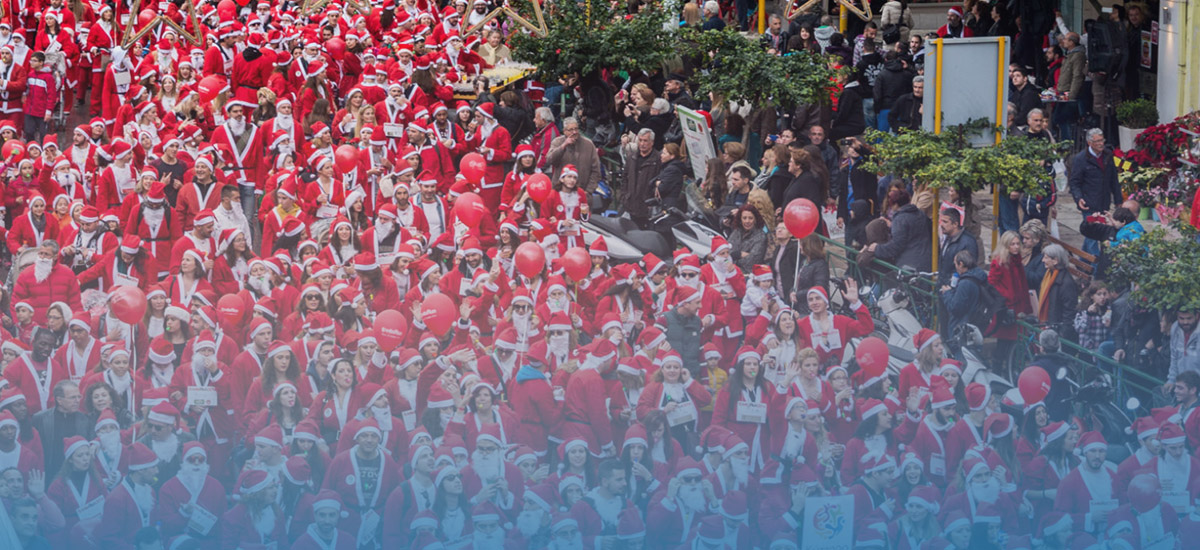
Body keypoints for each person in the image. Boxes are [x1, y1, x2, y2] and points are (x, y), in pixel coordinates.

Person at [1068, 129, 1122, 257]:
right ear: (1089, 143)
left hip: (1104, 203)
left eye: (1102, 140)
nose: (1100, 144)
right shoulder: (1081, 159)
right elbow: (1074, 182)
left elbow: (1114, 180)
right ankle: (1095, 267)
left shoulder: (1108, 156)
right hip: (1089, 203)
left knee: (1098, 234)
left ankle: (1083, 263)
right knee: (1092, 236)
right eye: (1097, 141)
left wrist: (1118, 200)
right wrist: (1078, 198)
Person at [29, 382, 88, 478]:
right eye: (73, 397)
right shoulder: (40, 419)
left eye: (79, 397)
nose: (77, 401)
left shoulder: (84, 420)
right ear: (59, 400)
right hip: (50, 473)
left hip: (77, 474)